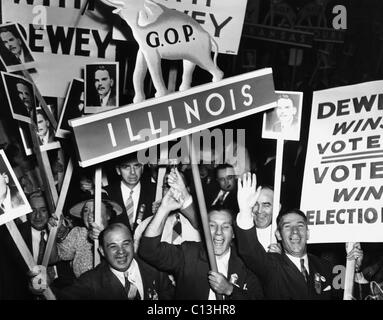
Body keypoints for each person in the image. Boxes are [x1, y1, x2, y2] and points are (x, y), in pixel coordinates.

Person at [235, 172, 366, 299]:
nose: (295, 231)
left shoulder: (327, 267)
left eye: (300, 226)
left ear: (308, 233)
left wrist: (356, 269)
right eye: (287, 227)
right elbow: (250, 251)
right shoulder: (272, 265)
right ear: (278, 235)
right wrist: (245, 211)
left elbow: (353, 295)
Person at [139, 186, 264, 300]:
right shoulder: (188, 253)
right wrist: (164, 209)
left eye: (225, 227)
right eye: (212, 226)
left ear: (234, 233)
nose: (218, 233)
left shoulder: (246, 262)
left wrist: (230, 290)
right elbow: (148, 251)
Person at [28, 223, 174, 300]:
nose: (121, 251)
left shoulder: (154, 268)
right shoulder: (90, 281)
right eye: (113, 246)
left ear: (133, 244)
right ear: (102, 252)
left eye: (125, 243)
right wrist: (43, 288)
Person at [52, 198, 122, 278]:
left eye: (95, 210)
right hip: (83, 288)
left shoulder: (118, 234)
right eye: (86, 211)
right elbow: (54, 258)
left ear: (108, 215)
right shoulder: (79, 233)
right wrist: (53, 231)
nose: (89, 215)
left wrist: (102, 238)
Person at [133, 168, 200, 252]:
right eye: (167, 187)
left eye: (177, 186)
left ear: (188, 190)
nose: (172, 191)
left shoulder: (202, 222)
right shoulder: (145, 226)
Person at [106, 153, 155, 233]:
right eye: (126, 167)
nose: (132, 172)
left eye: (137, 166)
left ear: (142, 167)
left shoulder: (156, 191)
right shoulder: (106, 194)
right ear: (118, 170)